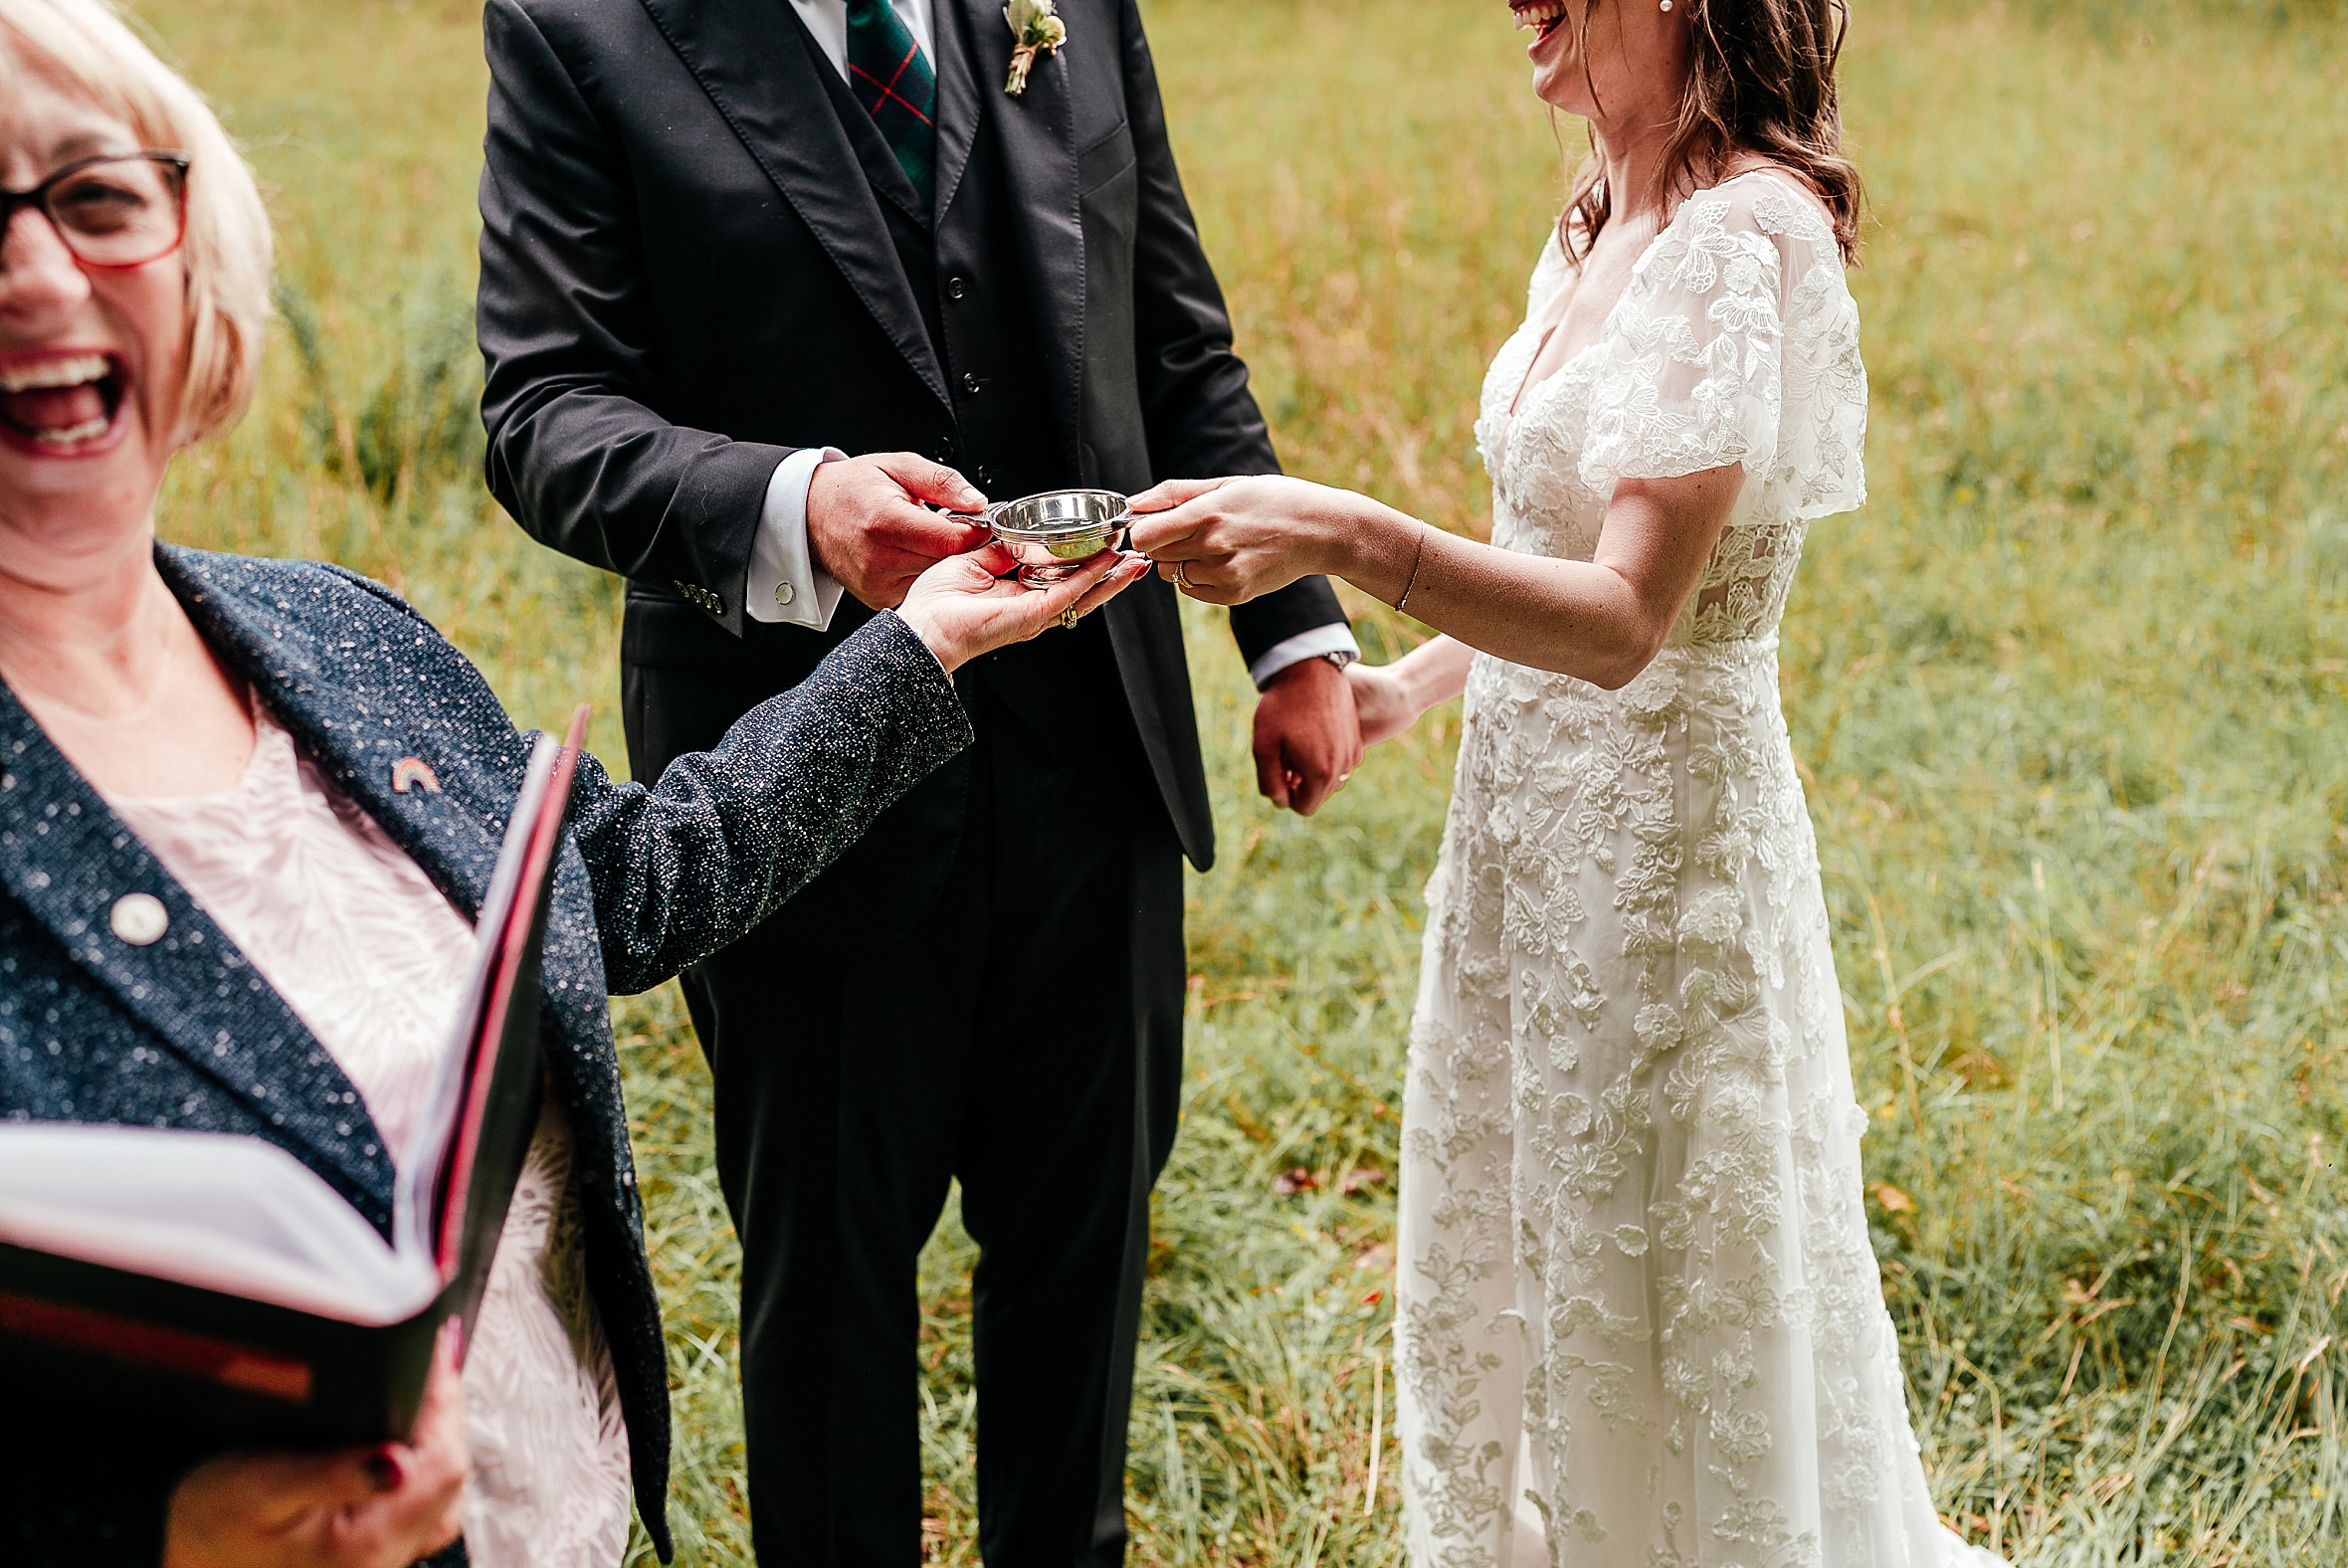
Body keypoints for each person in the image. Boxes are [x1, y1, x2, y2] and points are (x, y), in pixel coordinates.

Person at [0, 2, 1144, 1565]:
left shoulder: (333, 638)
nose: (40, 277)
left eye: (97, 198)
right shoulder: (579, 29)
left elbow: (624, 887)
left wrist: (924, 645)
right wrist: (165, 1531)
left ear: (195, 259)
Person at [474, 0, 1364, 1559]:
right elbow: (546, 408)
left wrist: (1295, 636)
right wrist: (799, 503)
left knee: (1081, 1278)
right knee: (826, 1305)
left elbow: (1169, 323)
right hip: (802, 780)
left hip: (1101, 760)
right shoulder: (580, 24)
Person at [1125, 2, 2007, 1564]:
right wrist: (1408, 686)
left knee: (1665, 1284)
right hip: (1525, 857)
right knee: (1535, 1249)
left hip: (1665, 874)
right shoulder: (1605, 203)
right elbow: (1556, 551)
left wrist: (1346, 533)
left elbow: (1627, 620)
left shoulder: (1746, 238)